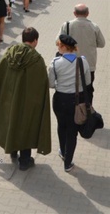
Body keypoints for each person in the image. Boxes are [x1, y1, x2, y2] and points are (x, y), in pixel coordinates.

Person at [0, 27, 51, 171]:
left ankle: (13, 151)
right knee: (26, 126)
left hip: (9, 98)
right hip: (27, 103)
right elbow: (41, 84)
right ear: (35, 41)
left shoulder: (8, 54)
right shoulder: (36, 60)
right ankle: (24, 160)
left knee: (12, 121)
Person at [48, 34, 91, 172]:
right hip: (76, 101)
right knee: (72, 131)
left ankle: (62, 149)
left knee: (61, 126)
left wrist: (59, 85)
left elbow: (50, 83)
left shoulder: (55, 62)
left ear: (63, 47)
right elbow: (88, 82)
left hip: (60, 100)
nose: (57, 48)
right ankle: (68, 162)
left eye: (58, 45)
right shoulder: (83, 61)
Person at [56, 4, 105, 102]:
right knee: (88, 88)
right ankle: (87, 109)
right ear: (87, 14)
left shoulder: (67, 25)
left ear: (74, 13)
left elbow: (57, 41)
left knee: (72, 87)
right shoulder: (94, 27)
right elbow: (102, 44)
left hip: (69, 62)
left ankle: (74, 108)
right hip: (89, 64)